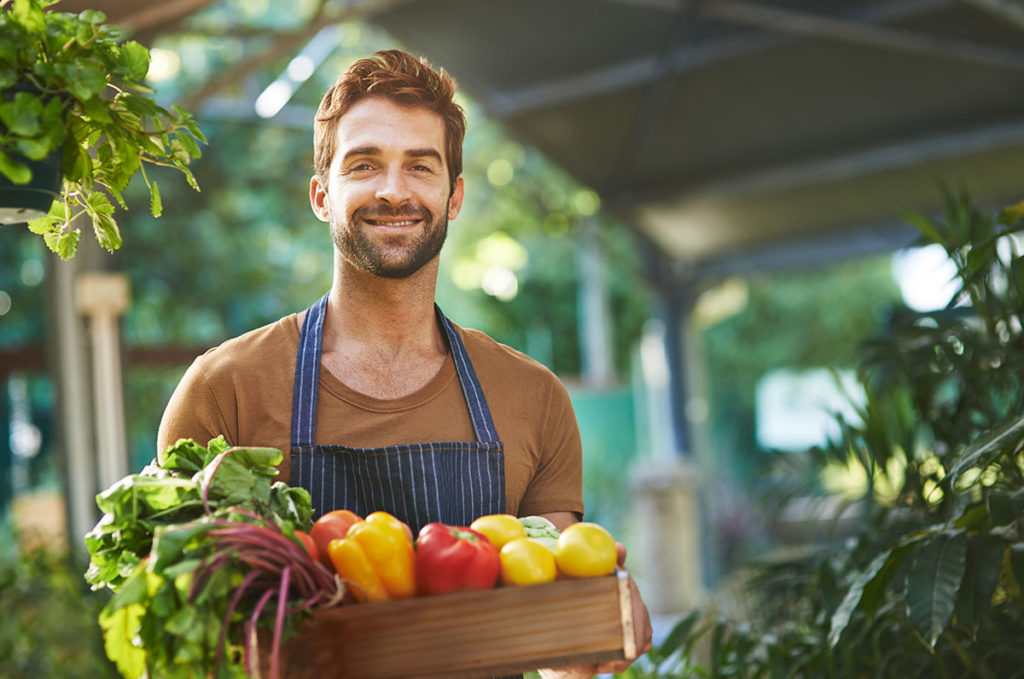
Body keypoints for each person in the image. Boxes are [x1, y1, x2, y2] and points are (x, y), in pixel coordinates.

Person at [157, 48, 651, 677]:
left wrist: (594, 625)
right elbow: (173, 636)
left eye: (421, 166)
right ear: (320, 195)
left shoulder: (531, 396)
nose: (394, 190)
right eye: (364, 165)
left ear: (455, 196)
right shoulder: (224, 388)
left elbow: (551, 641)